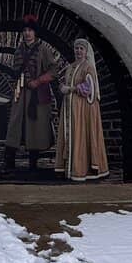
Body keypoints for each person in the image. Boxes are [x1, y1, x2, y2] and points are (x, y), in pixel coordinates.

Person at [4, 14, 56, 170]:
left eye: (30, 30)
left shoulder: (44, 50)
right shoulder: (18, 50)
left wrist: (38, 81)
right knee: (15, 125)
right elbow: (15, 70)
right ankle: (9, 161)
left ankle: (33, 163)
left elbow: (53, 71)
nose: (27, 33)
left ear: (35, 32)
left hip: (37, 95)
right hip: (21, 94)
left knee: (35, 128)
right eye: (25, 30)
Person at [55, 38, 110, 181]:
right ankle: (68, 167)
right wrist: (62, 88)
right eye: (76, 48)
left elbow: (89, 88)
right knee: (70, 135)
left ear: (86, 51)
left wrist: (71, 89)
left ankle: (81, 168)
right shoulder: (71, 66)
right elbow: (66, 83)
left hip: (82, 108)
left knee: (80, 134)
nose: (78, 51)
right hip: (69, 107)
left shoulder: (88, 67)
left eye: (81, 49)